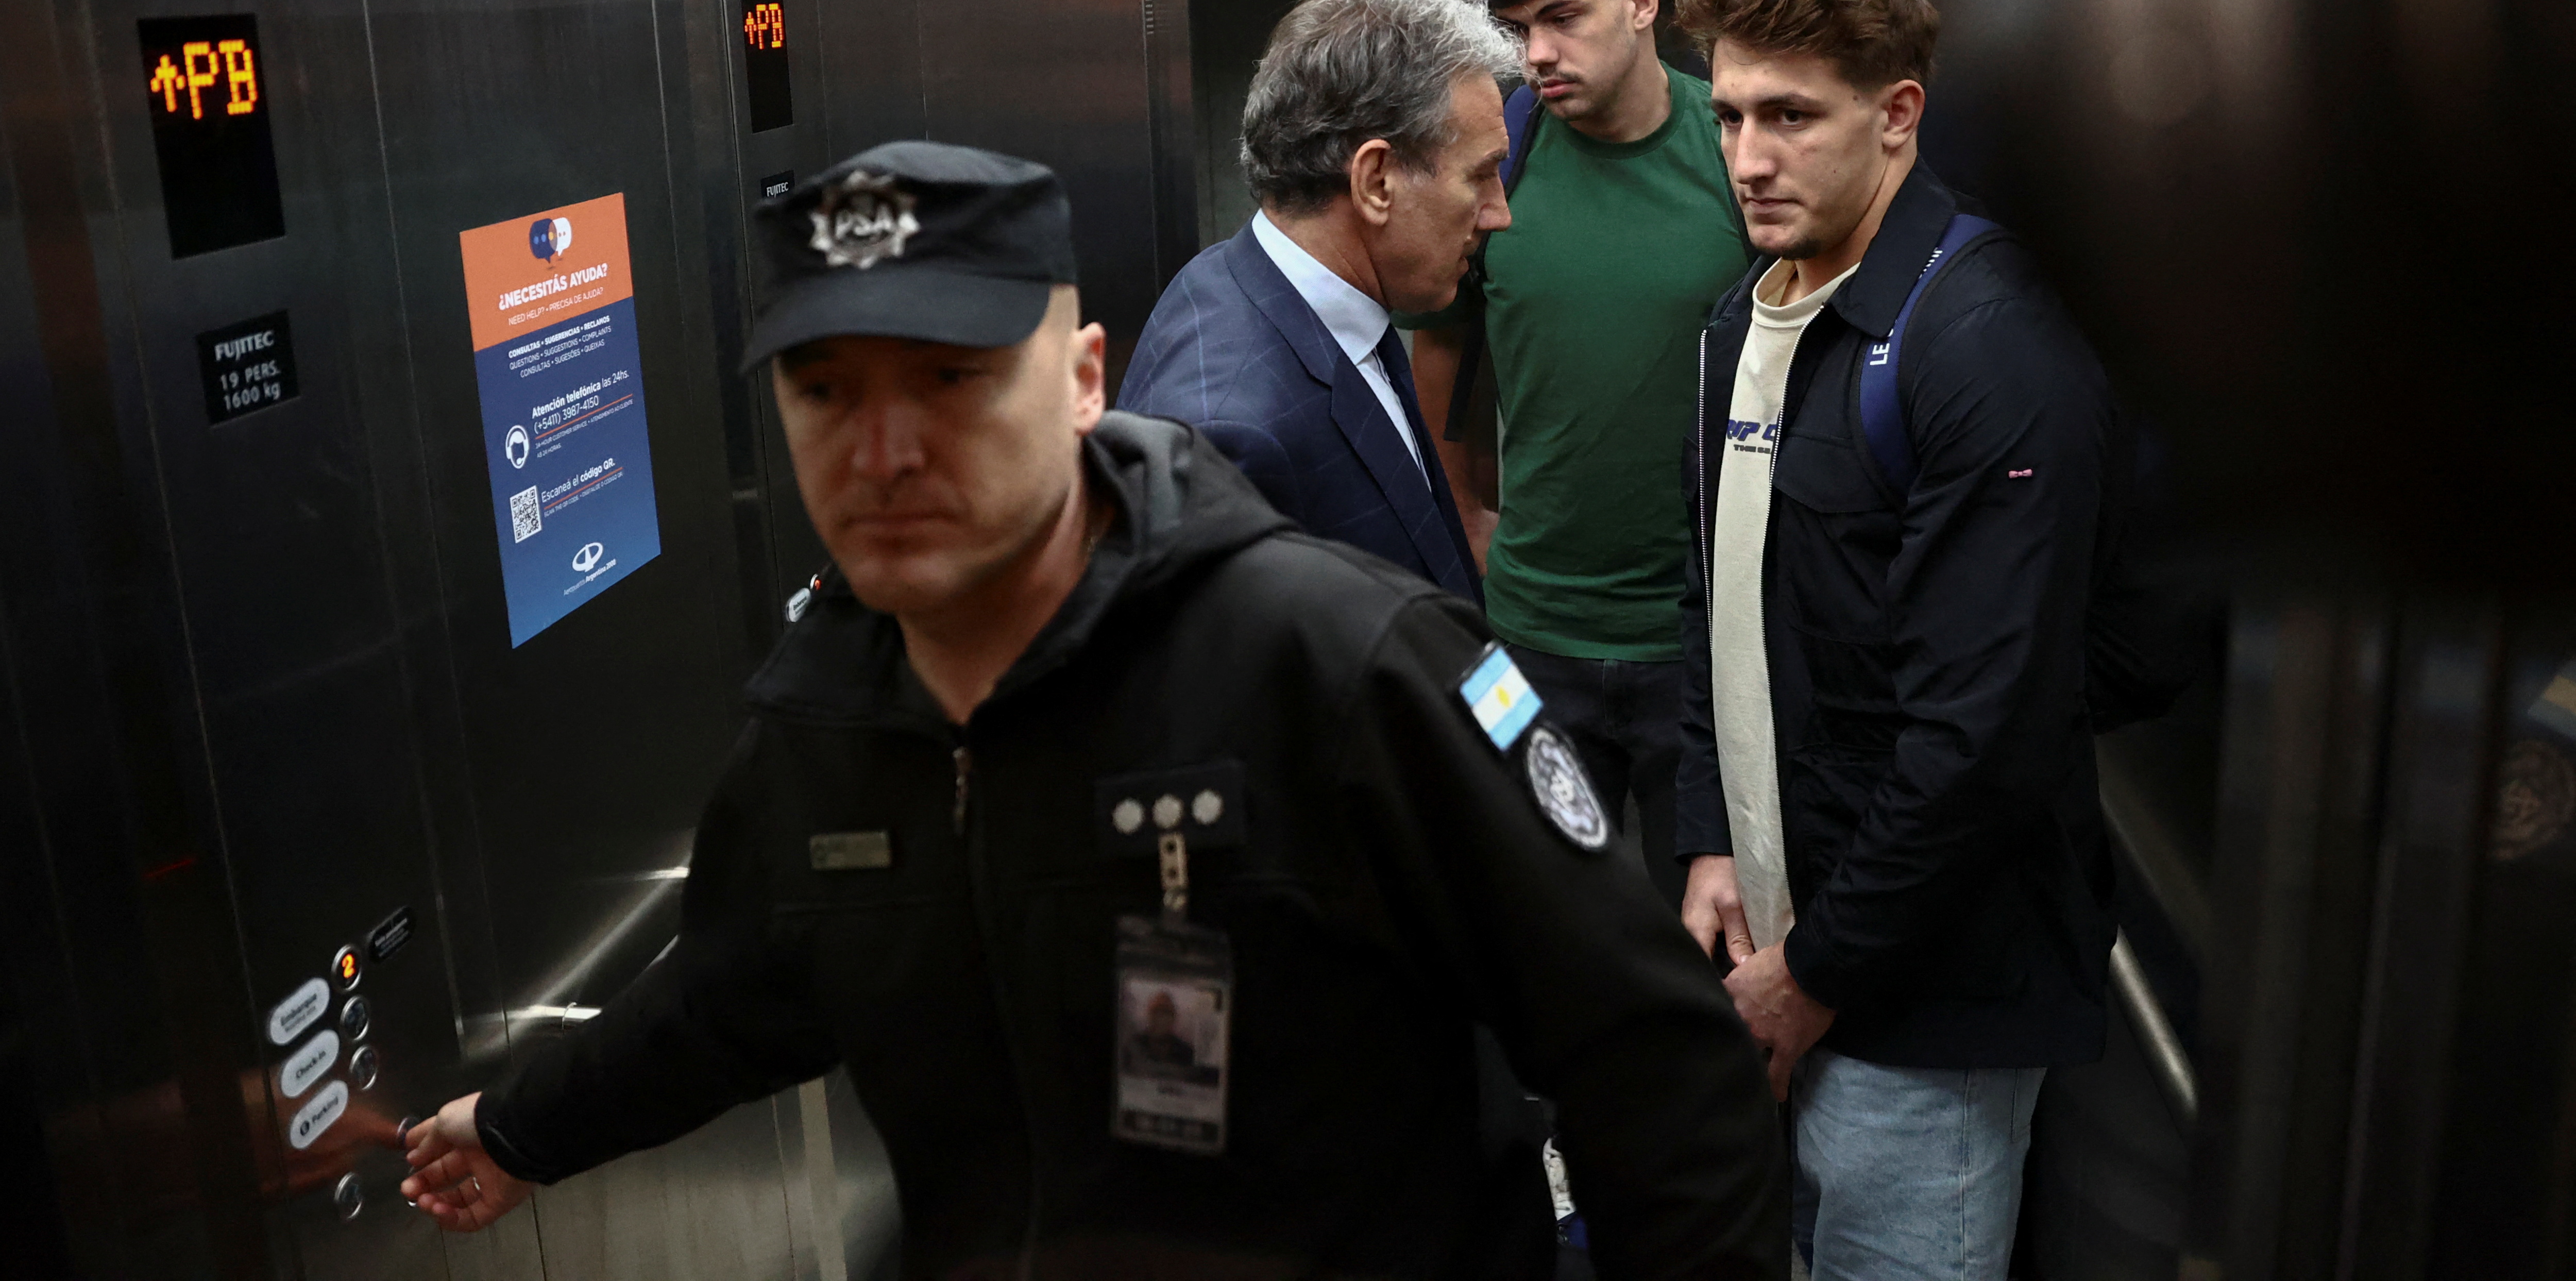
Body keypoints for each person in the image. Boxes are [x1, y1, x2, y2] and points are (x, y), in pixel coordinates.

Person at [399, 141, 1786, 1279]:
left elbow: (1654, 1070)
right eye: (825, 391)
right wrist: (522, 1126)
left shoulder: (1342, 662)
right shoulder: (825, 727)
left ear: (1083, 378)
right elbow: (737, 993)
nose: (881, 451)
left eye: (952, 380)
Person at [1666, 0, 2118, 1280]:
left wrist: (1814, 971)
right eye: (1730, 115)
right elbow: (1718, 596)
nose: (1747, 157)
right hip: (1778, 945)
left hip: (1919, 1006)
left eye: (1790, 117)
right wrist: (1708, 836)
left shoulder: (1982, 336)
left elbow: (1981, 730)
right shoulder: (1741, 315)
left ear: (1897, 113)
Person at [1408, 0, 1752, 909]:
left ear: (1639, 2)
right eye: (1518, 27)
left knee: (1711, 928)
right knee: (1551, 922)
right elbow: (1440, 348)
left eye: (1561, 17)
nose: (1536, 54)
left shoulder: (1732, 148)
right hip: (1534, 634)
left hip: (1703, 643)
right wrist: (1465, 514)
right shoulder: (1497, 152)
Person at [1119, 0, 1511, 603]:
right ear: (1376, 181)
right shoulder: (1233, 437)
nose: (1498, 213)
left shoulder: (1242, 279)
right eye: (1482, 175)